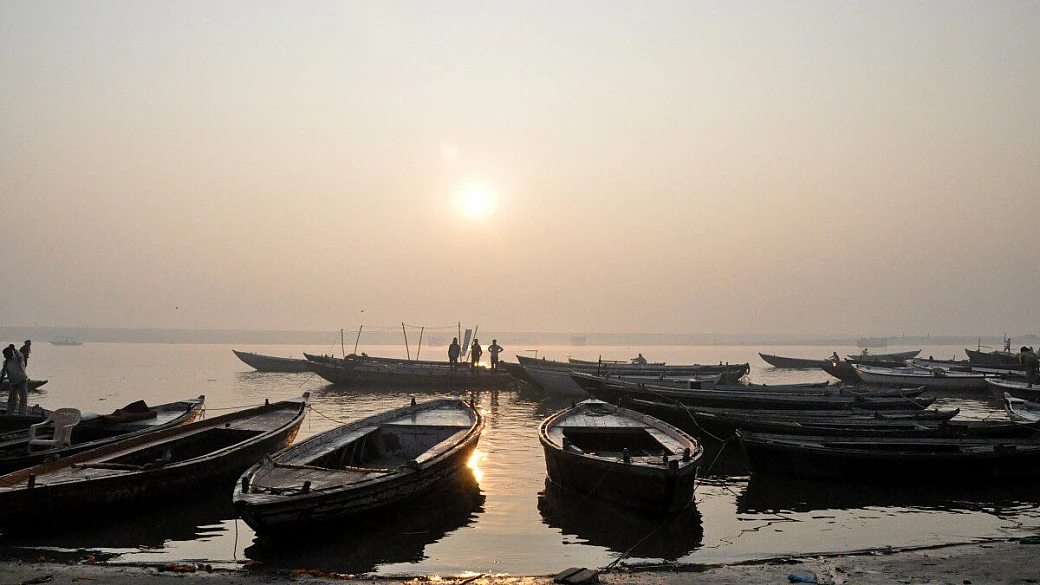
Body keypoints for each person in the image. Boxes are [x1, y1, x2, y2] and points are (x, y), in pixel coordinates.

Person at [1, 345, 29, 416]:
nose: (4, 356)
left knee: (23, 399)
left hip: (22, 381)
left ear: (10, 353)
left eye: (5, 354)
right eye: (4, 355)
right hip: (13, 383)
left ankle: (22, 414)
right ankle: (9, 414)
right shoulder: (6, 362)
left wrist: (14, 349)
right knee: (11, 400)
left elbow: (20, 355)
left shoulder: (18, 358)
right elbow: (3, 372)